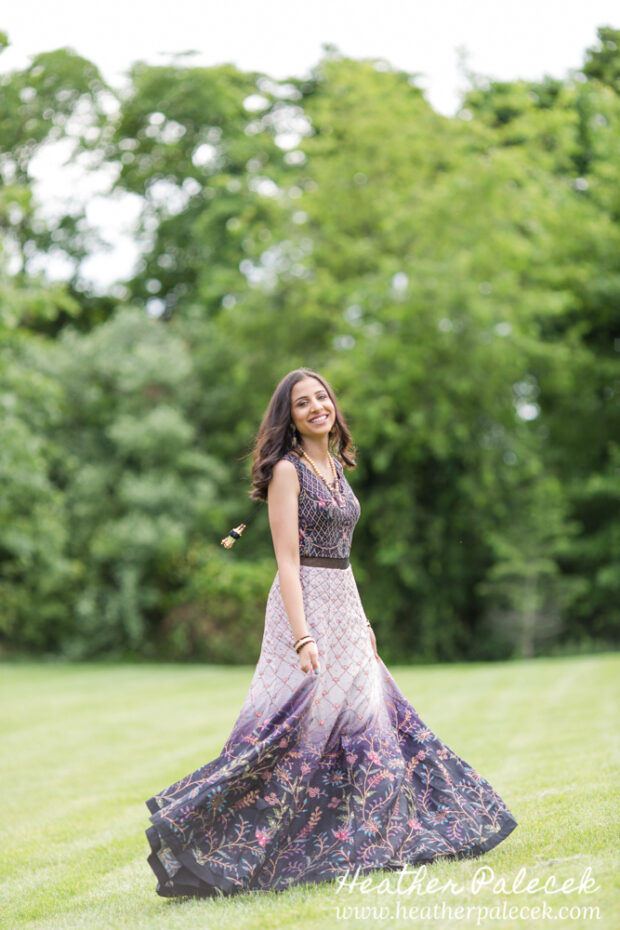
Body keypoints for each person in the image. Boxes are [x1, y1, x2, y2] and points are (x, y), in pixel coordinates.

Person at [144, 367, 518, 898]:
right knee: (290, 730)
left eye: (321, 397)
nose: (316, 407)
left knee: (373, 719)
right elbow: (288, 561)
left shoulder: (337, 467)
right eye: (302, 402)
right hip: (304, 608)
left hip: (343, 606)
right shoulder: (287, 471)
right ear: (290, 417)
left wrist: (362, 622)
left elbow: (343, 558)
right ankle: (217, 845)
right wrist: (303, 637)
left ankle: (377, 837)